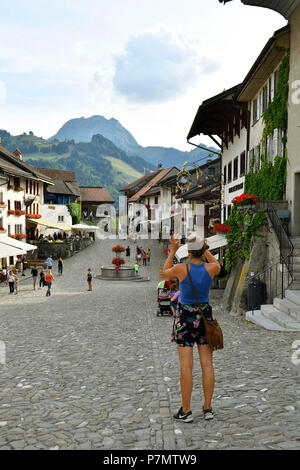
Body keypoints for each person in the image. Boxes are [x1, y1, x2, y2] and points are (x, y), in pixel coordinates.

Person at [163, 235, 221, 423]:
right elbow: (215, 262)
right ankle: (207, 408)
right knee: (207, 365)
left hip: (185, 317)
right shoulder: (211, 268)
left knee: (186, 366)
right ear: (202, 249)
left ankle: (186, 411)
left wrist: (172, 250)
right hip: (205, 317)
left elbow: (164, 272)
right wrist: (204, 249)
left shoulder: (182, 268)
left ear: (188, 252)